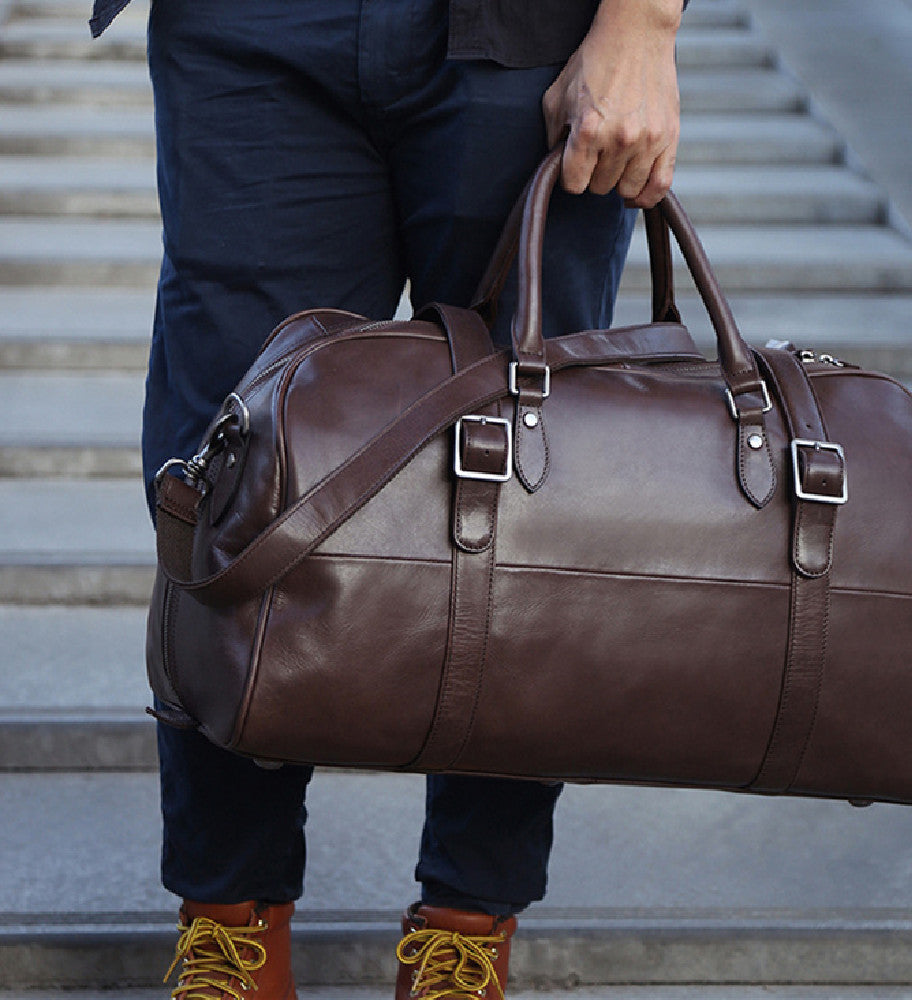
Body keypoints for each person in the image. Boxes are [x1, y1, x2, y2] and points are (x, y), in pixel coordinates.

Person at [89, 0, 687, 996]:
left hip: (524, 30)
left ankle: (465, 926)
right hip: (248, 26)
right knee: (230, 463)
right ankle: (230, 922)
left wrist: (643, 22)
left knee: (528, 468)